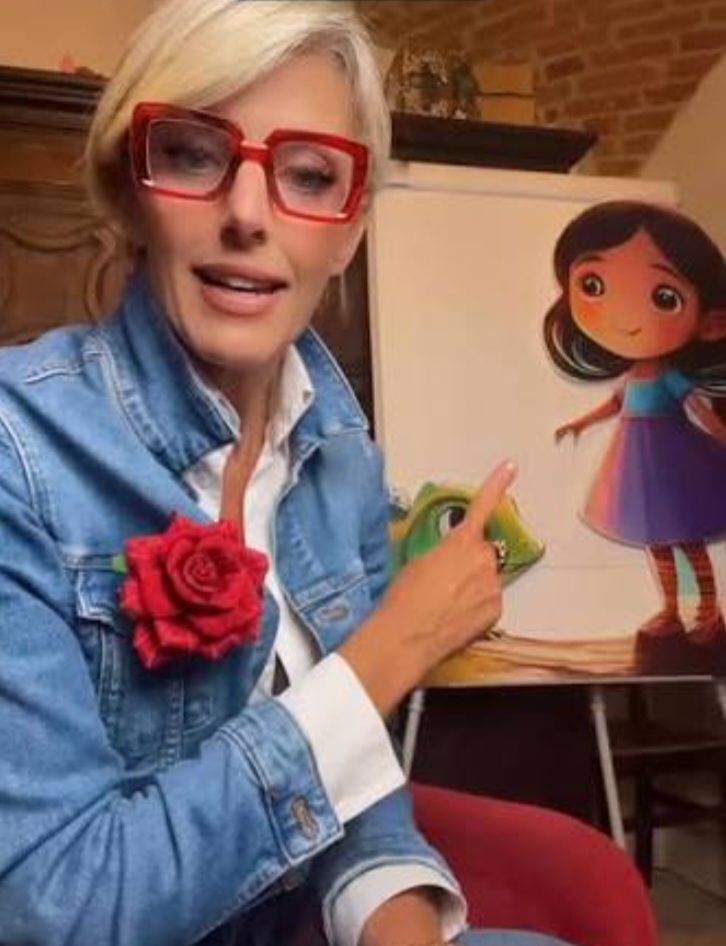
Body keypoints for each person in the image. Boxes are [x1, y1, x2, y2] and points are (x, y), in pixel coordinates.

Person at [0, 2, 576, 945]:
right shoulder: (17, 452)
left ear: (349, 231)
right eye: (194, 155)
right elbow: (57, 910)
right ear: (130, 189)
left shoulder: (342, 458)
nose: (246, 214)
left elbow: (360, 799)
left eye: (308, 175)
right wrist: (390, 651)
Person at [544, 200, 726, 674]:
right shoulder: (634, 377)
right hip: (635, 464)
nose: (626, 317)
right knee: (657, 543)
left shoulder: (669, 375)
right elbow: (616, 405)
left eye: (664, 298)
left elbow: (699, 409)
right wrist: (580, 424)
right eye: (593, 286)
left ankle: (708, 613)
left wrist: (722, 437)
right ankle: (671, 609)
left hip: (674, 462)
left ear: (710, 322)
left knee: (687, 540)